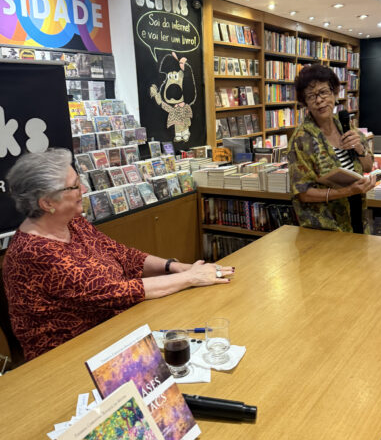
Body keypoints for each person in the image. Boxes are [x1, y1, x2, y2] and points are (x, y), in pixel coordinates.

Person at [3, 149, 234, 360]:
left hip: (113, 332)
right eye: (74, 187)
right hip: (68, 358)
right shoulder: (33, 253)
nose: (84, 190)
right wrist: (190, 277)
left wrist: (176, 266)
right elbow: (115, 292)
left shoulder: (73, 223)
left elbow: (124, 255)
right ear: (46, 203)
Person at [287, 64, 375, 233]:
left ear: (334, 93)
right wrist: (347, 191)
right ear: (305, 103)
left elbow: (368, 166)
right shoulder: (302, 139)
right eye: (311, 96)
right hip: (325, 227)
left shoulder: (345, 125)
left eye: (323, 92)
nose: (319, 100)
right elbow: (303, 193)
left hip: (357, 217)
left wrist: (360, 149)